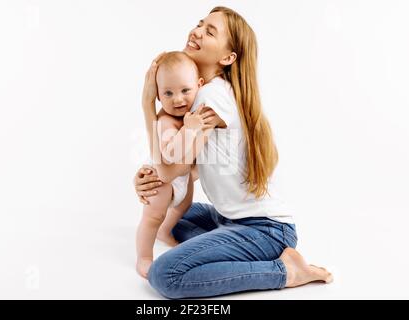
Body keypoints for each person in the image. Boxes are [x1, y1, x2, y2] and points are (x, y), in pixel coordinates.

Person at [135, 6, 333, 299]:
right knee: (173, 214)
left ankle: (286, 271)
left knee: (165, 275)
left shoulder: (209, 97)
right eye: (200, 24)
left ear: (227, 58)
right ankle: (227, 248)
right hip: (231, 218)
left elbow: (170, 170)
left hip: (265, 229)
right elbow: (185, 170)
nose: (197, 31)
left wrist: (147, 105)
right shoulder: (198, 95)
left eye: (210, 31)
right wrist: (147, 179)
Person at [136, 51, 218, 278]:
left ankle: (165, 231)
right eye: (168, 93)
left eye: (185, 90)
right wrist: (189, 130)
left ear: (199, 85)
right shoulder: (166, 121)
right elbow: (169, 154)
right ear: (159, 96)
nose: (178, 99)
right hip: (161, 182)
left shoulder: (194, 112)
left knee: (183, 206)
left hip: (182, 180)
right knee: (152, 217)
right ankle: (143, 257)